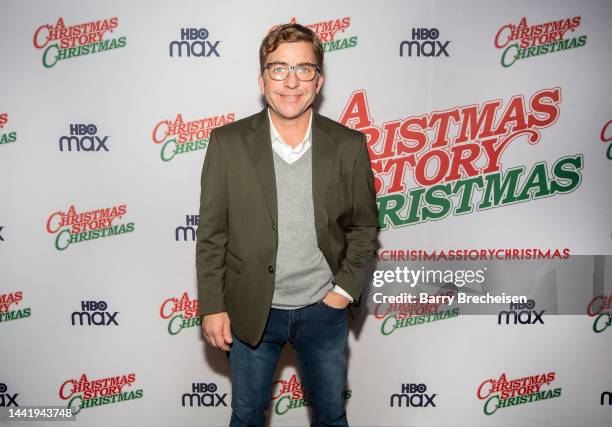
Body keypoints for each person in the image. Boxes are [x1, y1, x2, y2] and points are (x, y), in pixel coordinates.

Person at [196, 23, 378, 427]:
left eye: (304, 69)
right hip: (250, 311)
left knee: (331, 416)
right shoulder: (227, 143)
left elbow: (364, 228)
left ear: (319, 80)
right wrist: (213, 305)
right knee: (246, 417)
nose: (291, 82)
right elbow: (211, 235)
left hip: (323, 310)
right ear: (262, 79)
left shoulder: (349, 145)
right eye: (279, 69)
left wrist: (343, 292)